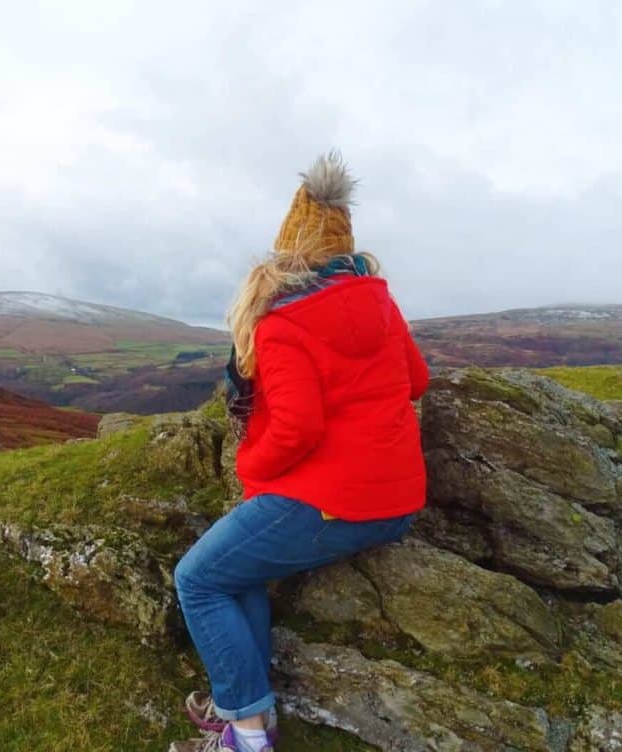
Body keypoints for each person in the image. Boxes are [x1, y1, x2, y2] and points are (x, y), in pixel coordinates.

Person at [171, 151, 430, 752]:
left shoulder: (282, 322)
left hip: (332, 501)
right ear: (345, 251)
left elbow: (296, 429)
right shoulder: (382, 304)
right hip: (398, 498)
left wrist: (249, 469)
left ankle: (247, 736)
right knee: (238, 573)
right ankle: (243, 701)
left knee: (198, 579)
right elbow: (417, 380)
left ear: (286, 255)